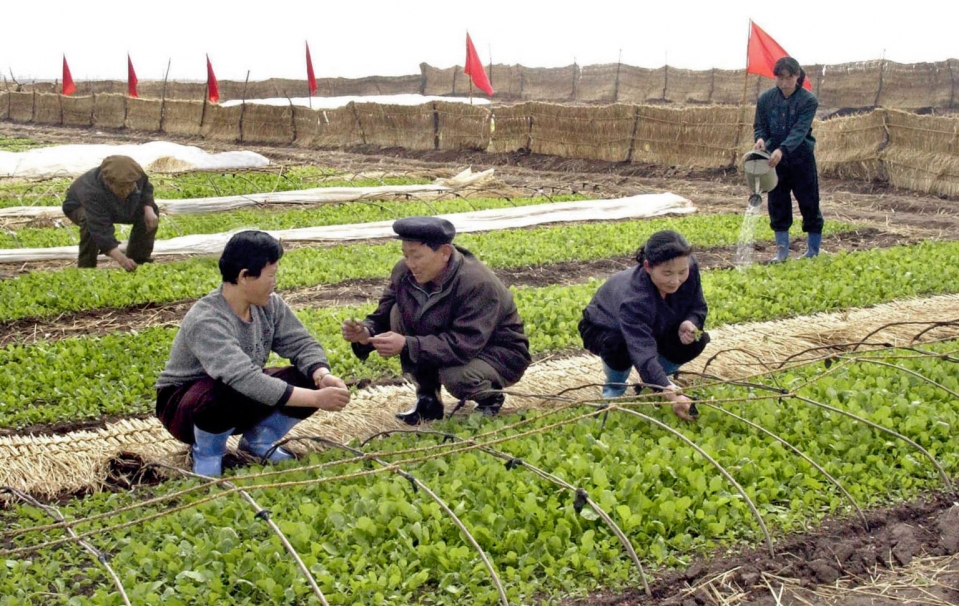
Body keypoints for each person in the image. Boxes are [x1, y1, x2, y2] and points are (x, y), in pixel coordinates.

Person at [156, 231, 350, 476]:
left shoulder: (270, 304)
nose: (275, 282)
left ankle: (258, 442)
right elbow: (243, 378)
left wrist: (322, 377)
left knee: (305, 378)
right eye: (271, 275)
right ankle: (207, 454)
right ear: (245, 276)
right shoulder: (207, 319)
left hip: (239, 393)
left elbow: (302, 344)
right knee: (228, 390)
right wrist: (316, 399)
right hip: (185, 406)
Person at [341, 216, 530, 424]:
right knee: (398, 313)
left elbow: (464, 344)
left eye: (417, 257)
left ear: (445, 253)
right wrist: (365, 333)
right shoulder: (404, 272)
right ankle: (428, 399)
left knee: (455, 376)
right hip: (450, 342)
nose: (410, 264)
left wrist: (408, 344)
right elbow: (384, 314)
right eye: (405, 255)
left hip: (496, 353)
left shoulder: (477, 283)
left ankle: (490, 398)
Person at [578, 230, 709, 422]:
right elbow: (642, 354)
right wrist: (672, 393)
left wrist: (690, 322)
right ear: (648, 267)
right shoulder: (634, 298)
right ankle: (614, 390)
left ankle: (655, 381)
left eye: (682, 272)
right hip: (603, 327)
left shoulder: (689, 266)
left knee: (696, 339)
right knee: (620, 345)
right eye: (667, 273)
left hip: (656, 322)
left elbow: (698, 306)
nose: (676, 281)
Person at [753, 56, 823, 262]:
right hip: (774, 162)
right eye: (780, 78)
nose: (784, 82)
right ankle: (782, 252)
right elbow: (760, 125)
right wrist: (760, 139)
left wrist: (782, 149)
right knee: (778, 203)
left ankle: (813, 251)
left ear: (797, 76)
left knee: (809, 201)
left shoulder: (808, 101)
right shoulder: (766, 99)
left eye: (788, 77)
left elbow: (799, 131)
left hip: (801, 159)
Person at [62, 155, 160, 271]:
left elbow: (146, 189)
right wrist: (122, 260)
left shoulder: (135, 174)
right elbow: (99, 228)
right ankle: (87, 268)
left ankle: (139, 260)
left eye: (130, 185)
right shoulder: (92, 191)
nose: (127, 190)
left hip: (115, 204)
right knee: (88, 221)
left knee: (148, 215)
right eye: (122, 187)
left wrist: (148, 208)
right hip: (79, 207)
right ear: (108, 181)